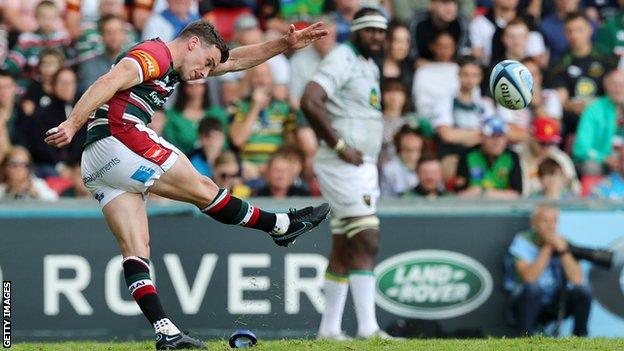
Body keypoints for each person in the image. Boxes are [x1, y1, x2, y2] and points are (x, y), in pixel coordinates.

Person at [44, 19, 330, 350]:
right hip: (121, 136)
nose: (206, 73)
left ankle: (165, 331)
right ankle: (280, 226)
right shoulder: (157, 54)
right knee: (205, 190)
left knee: (137, 251)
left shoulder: (174, 68)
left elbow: (235, 60)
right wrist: (72, 123)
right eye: (207, 62)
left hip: (96, 162)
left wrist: (283, 45)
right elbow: (110, 79)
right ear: (192, 43)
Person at [301, 7, 392, 340]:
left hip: (360, 164)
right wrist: (339, 145)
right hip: (343, 163)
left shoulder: (368, 65)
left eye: (382, 31)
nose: (377, 37)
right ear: (354, 31)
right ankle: (368, 327)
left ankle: (329, 329)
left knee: (344, 246)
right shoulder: (343, 57)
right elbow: (310, 100)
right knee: (367, 237)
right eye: (370, 30)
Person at [505, 204, 591, 336]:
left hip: (556, 302)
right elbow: (529, 278)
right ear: (534, 223)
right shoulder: (523, 240)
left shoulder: (564, 243)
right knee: (532, 288)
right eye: (545, 221)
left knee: (583, 291)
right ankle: (525, 338)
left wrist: (563, 251)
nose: (551, 226)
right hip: (527, 302)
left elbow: (577, 280)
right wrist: (547, 248)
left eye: (554, 221)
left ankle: (580, 337)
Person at [550, 12, 616, 139]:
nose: (574, 36)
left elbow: (614, 93)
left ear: (590, 30)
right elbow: (561, 99)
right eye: (570, 31)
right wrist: (573, 105)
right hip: (573, 123)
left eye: (579, 30)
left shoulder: (605, 59)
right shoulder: (560, 63)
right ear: (565, 34)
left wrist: (594, 104)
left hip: (603, 118)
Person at [229, 63, 297, 170]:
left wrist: (272, 166)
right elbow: (237, 141)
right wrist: (255, 107)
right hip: (248, 168)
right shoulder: (239, 106)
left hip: (276, 168)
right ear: (250, 81)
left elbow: (291, 145)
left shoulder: (284, 108)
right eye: (256, 76)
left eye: (264, 75)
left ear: (272, 79)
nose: (261, 80)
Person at [2, 0, 72, 88]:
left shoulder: (62, 38)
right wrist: (5, 69)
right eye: (43, 17)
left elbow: (69, 59)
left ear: (57, 18)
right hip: (31, 82)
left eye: (51, 18)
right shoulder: (27, 38)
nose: (47, 21)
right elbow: (16, 58)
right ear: (35, 17)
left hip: (55, 85)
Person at [455, 116, 523, 199]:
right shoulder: (468, 155)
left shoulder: (512, 157)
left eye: (501, 136)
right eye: (492, 136)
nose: (497, 141)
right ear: (482, 137)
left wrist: (484, 192)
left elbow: (517, 193)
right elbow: (460, 193)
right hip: (473, 207)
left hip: (503, 208)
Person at [573, 69, 624, 175]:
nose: (619, 88)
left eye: (622, 84)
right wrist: (604, 158)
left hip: (621, 162)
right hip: (600, 163)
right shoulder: (593, 109)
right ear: (606, 87)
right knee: (591, 167)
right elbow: (581, 148)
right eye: (614, 84)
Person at [164, 79, 228, 154]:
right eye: (190, 84)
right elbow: (171, 144)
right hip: (183, 160)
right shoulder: (171, 116)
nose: (195, 87)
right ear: (183, 87)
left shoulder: (217, 113)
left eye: (200, 84)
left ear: (205, 86)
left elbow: (225, 144)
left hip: (217, 160)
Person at [520, 117, 580, 197]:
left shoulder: (561, 159)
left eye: (550, 143)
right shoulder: (520, 159)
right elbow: (523, 194)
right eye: (542, 143)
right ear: (532, 138)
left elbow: (575, 189)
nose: (546, 147)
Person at [409, 0, 471, 66]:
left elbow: (464, 54)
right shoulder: (418, 22)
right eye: (445, 3)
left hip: (453, 69)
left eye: (454, 3)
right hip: (421, 70)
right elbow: (413, 56)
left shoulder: (462, 22)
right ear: (431, 5)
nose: (451, 8)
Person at [78, 15, 130, 91]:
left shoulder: (132, 62)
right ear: (101, 36)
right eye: (109, 32)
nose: (114, 37)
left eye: (117, 31)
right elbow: (91, 94)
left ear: (124, 35)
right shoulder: (90, 65)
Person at [380, 125, 423, 197]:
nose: (411, 138)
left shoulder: (429, 164)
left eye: (415, 135)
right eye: (407, 135)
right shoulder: (390, 168)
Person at [382, 23, 415, 96]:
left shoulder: (411, 70)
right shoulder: (373, 67)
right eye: (398, 41)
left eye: (406, 41)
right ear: (387, 42)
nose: (403, 47)